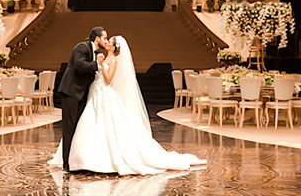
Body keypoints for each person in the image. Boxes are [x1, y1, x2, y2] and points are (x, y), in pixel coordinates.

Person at [49, 36, 206, 175]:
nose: (107, 42)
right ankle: (81, 158)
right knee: (90, 124)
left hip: (104, 93)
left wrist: (101, 64)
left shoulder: (113, 60)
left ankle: (102, 160)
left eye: (110, 41)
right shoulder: (103, 57)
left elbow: (108, 79)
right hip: (95, 92)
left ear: (115, 47)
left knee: (105, 126)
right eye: (107, 40)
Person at [58, 26, 108, 171]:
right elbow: (80, 66)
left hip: (80, 94)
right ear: (97, 38)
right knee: (69, 128)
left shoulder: (95, 52)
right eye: (104, 38)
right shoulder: (82, 47)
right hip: (71, 92)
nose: (105, 41)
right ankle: (66, 162)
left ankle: (75, 159)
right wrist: (97, 64)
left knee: (77, 128)